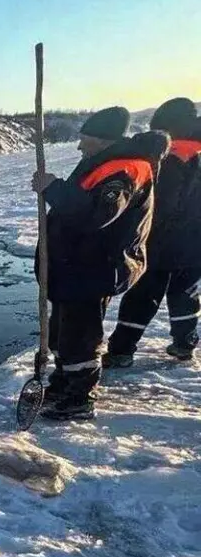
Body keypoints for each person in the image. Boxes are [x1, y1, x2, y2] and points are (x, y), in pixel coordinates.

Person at [31, 106, 169, 420]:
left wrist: (53, 188)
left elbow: (97, 215)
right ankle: (64, 383)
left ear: (103, 140)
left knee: (79, 336)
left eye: (86, 139)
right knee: (63, 332)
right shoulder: (105, 163)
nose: (80, 146)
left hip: (94, 268)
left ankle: (79, 397)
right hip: (77, 266)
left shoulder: (124, 171)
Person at [105, 99, 201, 366]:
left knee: (142, 294)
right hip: (195, 242)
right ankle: (185, 344)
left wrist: (140, 227)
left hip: (161, 241)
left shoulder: (171, 156)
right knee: (186, 293)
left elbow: (164, 203)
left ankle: (121, 351)